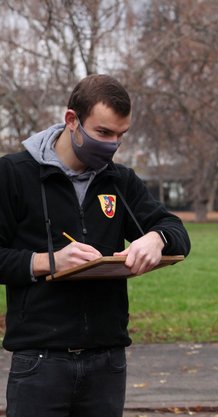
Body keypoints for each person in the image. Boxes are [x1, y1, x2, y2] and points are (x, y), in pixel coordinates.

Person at [0, 74, 191, 417]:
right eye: (103, 133)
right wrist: (50, 261)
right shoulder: (14, 174)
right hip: (40, 362)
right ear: (71, 120)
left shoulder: (119, 180)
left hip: (107, 362)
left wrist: (155, 238)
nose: (112, 144)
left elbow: (175, 229)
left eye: (121, 135)